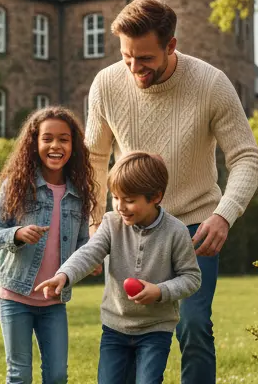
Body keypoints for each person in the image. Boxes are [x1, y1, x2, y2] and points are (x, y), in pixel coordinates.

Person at [84, 0, 258, 384]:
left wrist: (224, 214)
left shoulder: (211, 83)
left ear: (171, 45)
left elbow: (247, 157)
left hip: (194, 227)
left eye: (145, 58)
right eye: (127, 57)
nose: (134, 69)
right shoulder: (106, 84)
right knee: (128, 330)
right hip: (131, 229)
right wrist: (95, 222)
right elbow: (95, 159)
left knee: (194, 326)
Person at [35, 152, 201, 383]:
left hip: (156, 329)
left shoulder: (176, 232)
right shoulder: (112, 223)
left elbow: (192, 278)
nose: (120, 206)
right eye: (116, 197)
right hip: (115, 328)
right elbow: (89, 252)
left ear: (156, 197)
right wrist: (64, 274)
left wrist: (160, 291)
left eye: (130, 200)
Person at [0, 107, 97, 384]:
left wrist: (91, 261)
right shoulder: (16, 186)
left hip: (54, 300)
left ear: (73, 146)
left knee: (57, 375)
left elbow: (84, 243)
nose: (55, 146)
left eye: (64, 139)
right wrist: (18, 234)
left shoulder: (79, 195)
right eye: (47, 138)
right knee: (20, 375)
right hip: (15, 296)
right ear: (34, 144)